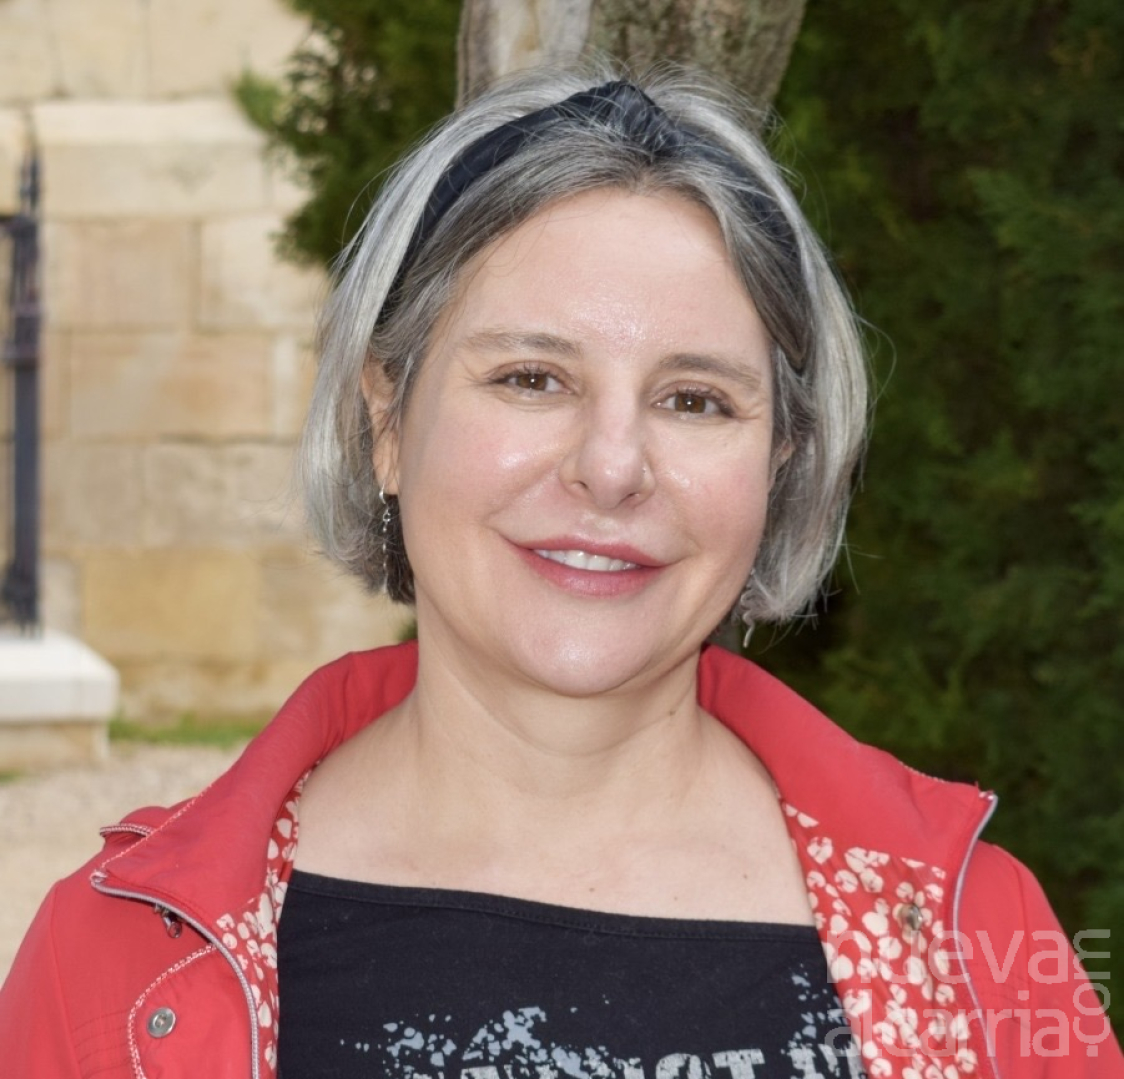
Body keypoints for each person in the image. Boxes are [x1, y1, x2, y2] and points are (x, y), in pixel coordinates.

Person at [0, 65, 1118, 1079]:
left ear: (780, 462)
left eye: (694, 399)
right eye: (532, 378)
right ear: (385, 419)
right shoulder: (121, 958)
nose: (612, 467)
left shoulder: (978, 945)